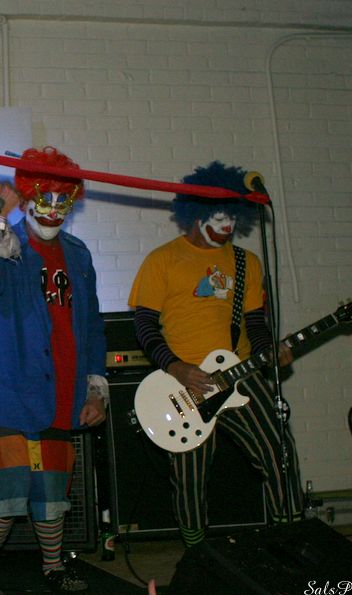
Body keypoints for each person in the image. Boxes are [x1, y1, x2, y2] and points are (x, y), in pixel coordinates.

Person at [128, 161, 303, 548]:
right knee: (190, 477)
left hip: (241, 374)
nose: (226, 225)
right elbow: (144, 325)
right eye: (218, 216)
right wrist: (176, 367)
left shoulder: (247, 262)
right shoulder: (162, 260)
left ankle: (292, 540)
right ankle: (198, 553)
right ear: (197, 213)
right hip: (186, 384)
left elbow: (255, 324)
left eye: (231, 217)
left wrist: (269, 351)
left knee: (278, 452)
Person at [0, 146, 108, 595]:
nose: (54, 208)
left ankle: (53, 566)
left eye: (64, 199)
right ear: (28, 197)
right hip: (4, 390)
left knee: (51, 495)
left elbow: (92, 325)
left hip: (60, 391)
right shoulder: (8, 243)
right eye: (45, 197)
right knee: (5, 495)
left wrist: (96, 388)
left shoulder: (78, 255)